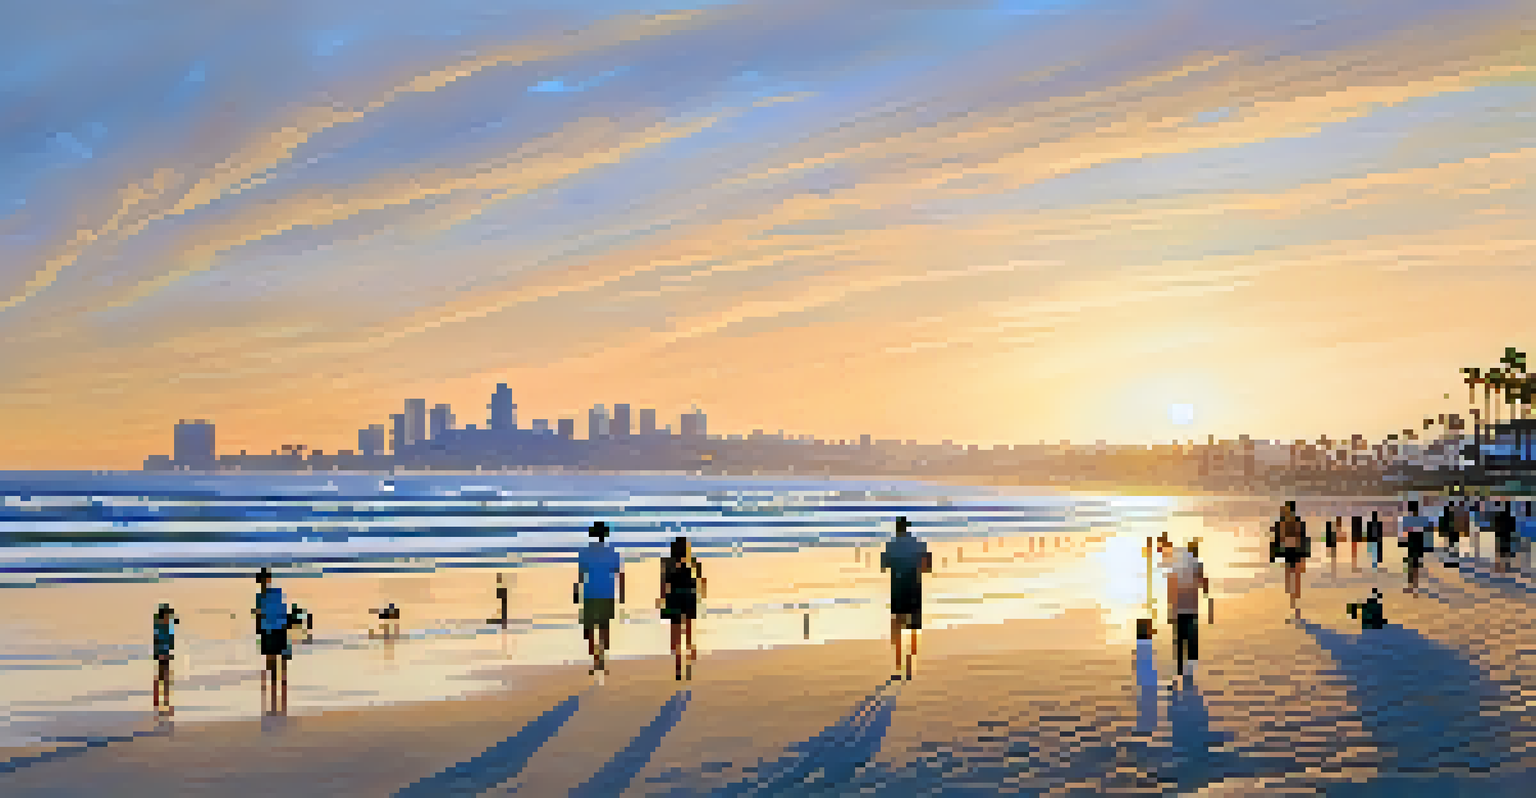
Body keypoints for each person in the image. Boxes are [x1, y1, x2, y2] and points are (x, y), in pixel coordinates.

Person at [881, 516, 932, 681]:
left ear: (897, 529)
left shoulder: (891, 545)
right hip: (914, 587)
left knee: (897, 626)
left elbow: (884, 565)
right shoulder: (918, 543)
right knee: (913, 627)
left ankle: (898, 665)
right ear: (907, 528)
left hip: (897, 588)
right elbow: (927, 566)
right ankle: (910, 665)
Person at [575, 521, 625, 681]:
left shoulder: (584, 552)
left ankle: (595, 658)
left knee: (589, 629)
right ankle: (601, 656)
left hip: (590, 593)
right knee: (604, 627)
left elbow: (581, 576)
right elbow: (619, 574)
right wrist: (621, 593)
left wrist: (577, 592)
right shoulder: (612, 552)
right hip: (607, 593)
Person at [658, 536, 706, 681]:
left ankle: (678, 668)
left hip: (673, 599)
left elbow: (663, 583)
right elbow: (701, 581)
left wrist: (662, 599)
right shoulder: (693, 562)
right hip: (689, 598)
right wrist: (700, 595)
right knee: (689, 634)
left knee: (676, 637)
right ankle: (690, 662)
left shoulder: (667, 563)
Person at [1167, 539, 1209, 686]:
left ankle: (1179, 669)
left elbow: (1171, 583)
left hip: (1178, 608)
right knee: (1191, 638)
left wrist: (1170, 606)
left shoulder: (1177, 564)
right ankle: (1189, 670)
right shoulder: (1197, 564)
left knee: (1179, 639)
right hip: (1191, 608)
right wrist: (1207, 595)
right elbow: (1204, 583)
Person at [253, 568, 291, 715]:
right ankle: (279, 682)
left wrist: (259, 628)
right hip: (277, 627)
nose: (262, 582)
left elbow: (260, 614)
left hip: (272, 628)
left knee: (273, 658)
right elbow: (281, 609)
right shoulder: (276, 593)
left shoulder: (262, 597)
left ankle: (276, 683)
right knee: (277, 658)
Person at [1270, 502, 1309, 621]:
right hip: (1288, 553)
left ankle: (1296, 606)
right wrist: (1273, 555)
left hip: (1297, 554)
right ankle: (1293, 603)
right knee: (1290, 581)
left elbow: (1304, 540)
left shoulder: (1298, 523)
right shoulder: (1281, 524)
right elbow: (1276, 539)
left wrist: (1304, 558)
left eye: (1287, 510)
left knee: (1295, 581)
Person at [152, 603, 177, 715]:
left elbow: (168, 637)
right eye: (167, 615)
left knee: (164, 676)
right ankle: (161, 699)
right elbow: (160, 640)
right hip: (162, 652)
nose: (169, 617)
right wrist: (162, 653)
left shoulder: (164, 624)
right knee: (163, 676)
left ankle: (162, 698)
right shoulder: (161, 626)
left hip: (164, 652)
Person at [1403, 500, 1430, 594]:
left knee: (1411, 564)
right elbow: (1426, 533)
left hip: (1412, 543)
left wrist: (1402, 542)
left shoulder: (1407, 519)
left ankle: (1411, 585)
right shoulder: (1422, 519)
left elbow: (1405, 532)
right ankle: (1415, 585)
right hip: (1419, 543)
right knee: (1416, 565)